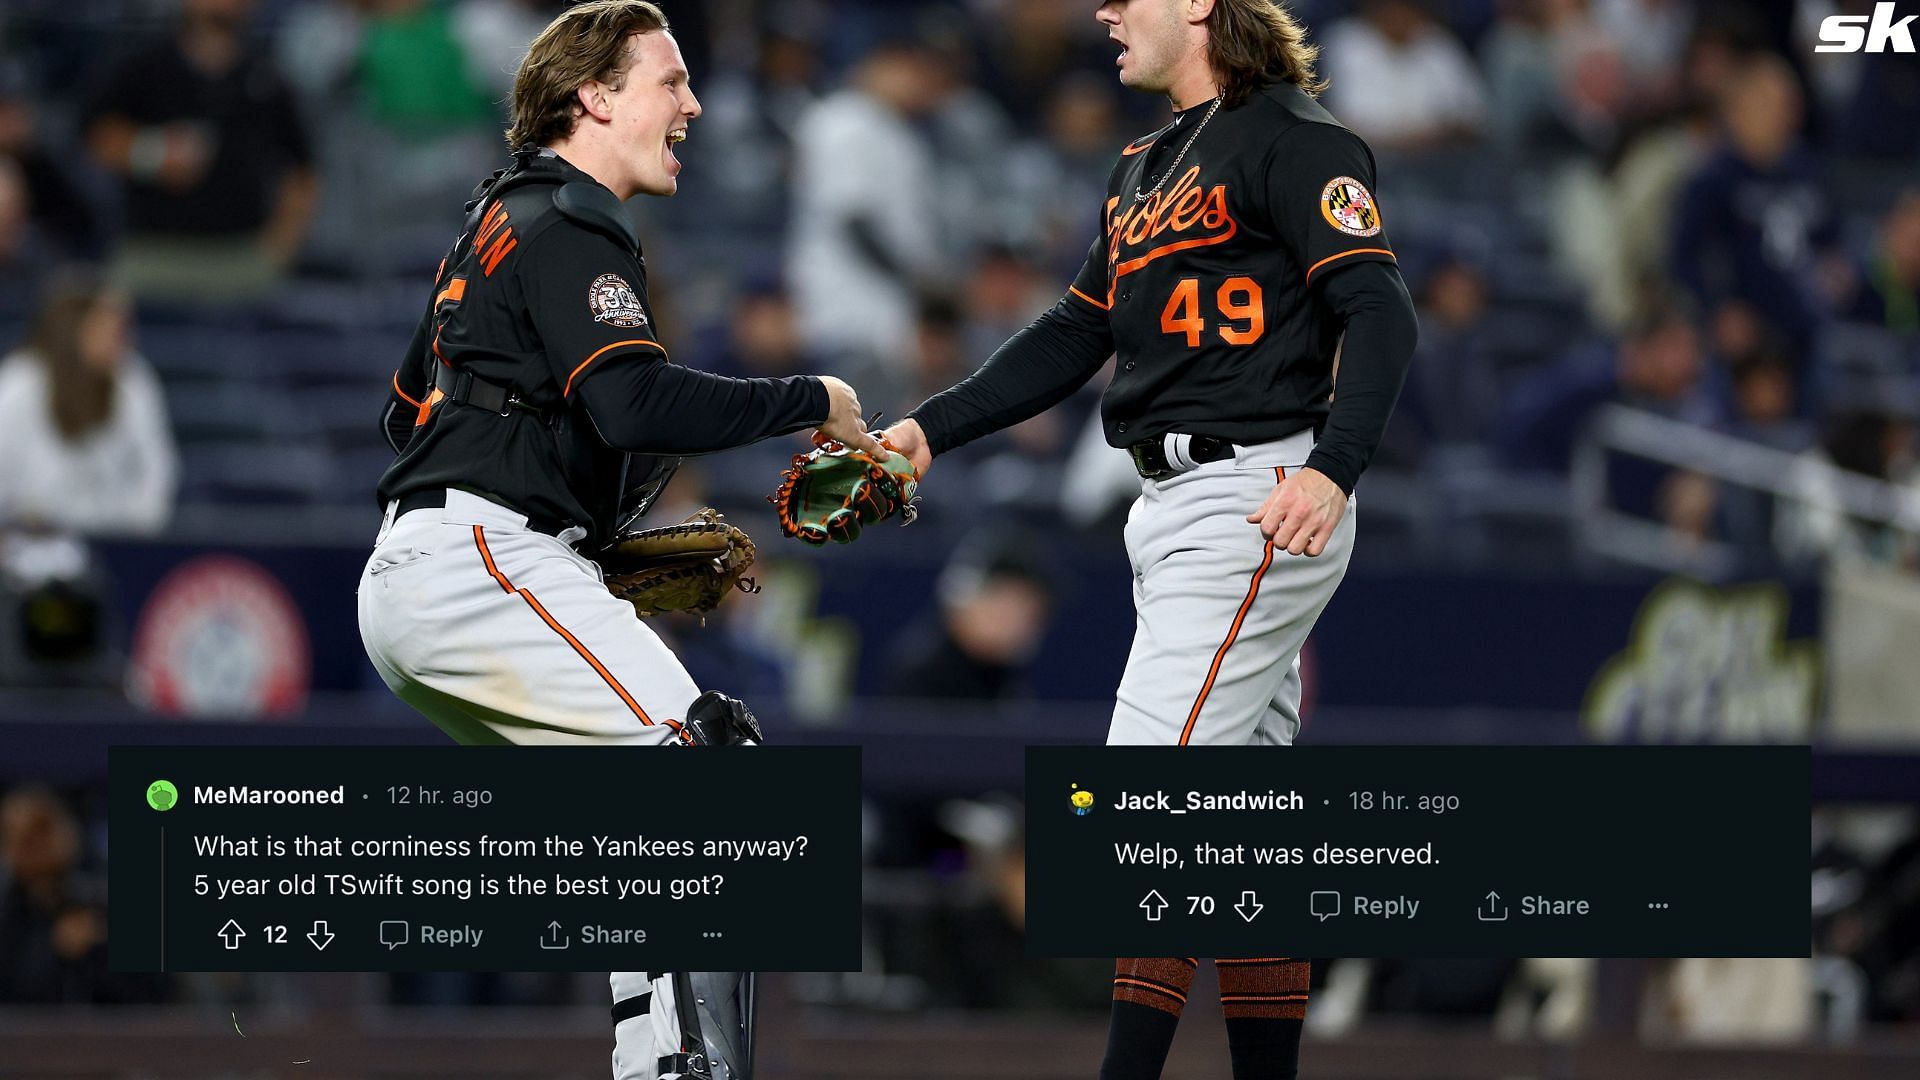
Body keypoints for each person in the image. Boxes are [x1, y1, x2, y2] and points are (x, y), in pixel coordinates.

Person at [883, 2, 1419, 1077]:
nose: (1106, 12)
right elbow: (1078, 330)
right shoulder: (1147, 161)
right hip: (1175, 503)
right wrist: (926, 430)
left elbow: (1381, 309)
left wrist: (1332, 465)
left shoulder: (1294, 137)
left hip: (1257, 486)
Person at [353, 4, 877, 1078]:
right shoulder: (575, 218)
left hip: (429, 566)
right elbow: (635, 404)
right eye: (669, 81)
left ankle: (654, 1061)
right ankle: (690, 1070)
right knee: (703, 772)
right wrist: (810, 397)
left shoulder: (493, 220)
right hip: (480, 562)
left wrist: (572, 537)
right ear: (592, 96)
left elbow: (408, 415)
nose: (692, 104)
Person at [0, 272, 178, 536]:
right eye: (108, 327)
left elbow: (156, 469)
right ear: (72, 327)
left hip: (116, 538)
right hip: (26, 539)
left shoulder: (133, 378)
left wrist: (138, 528)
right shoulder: (20, 380)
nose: (121, 338)